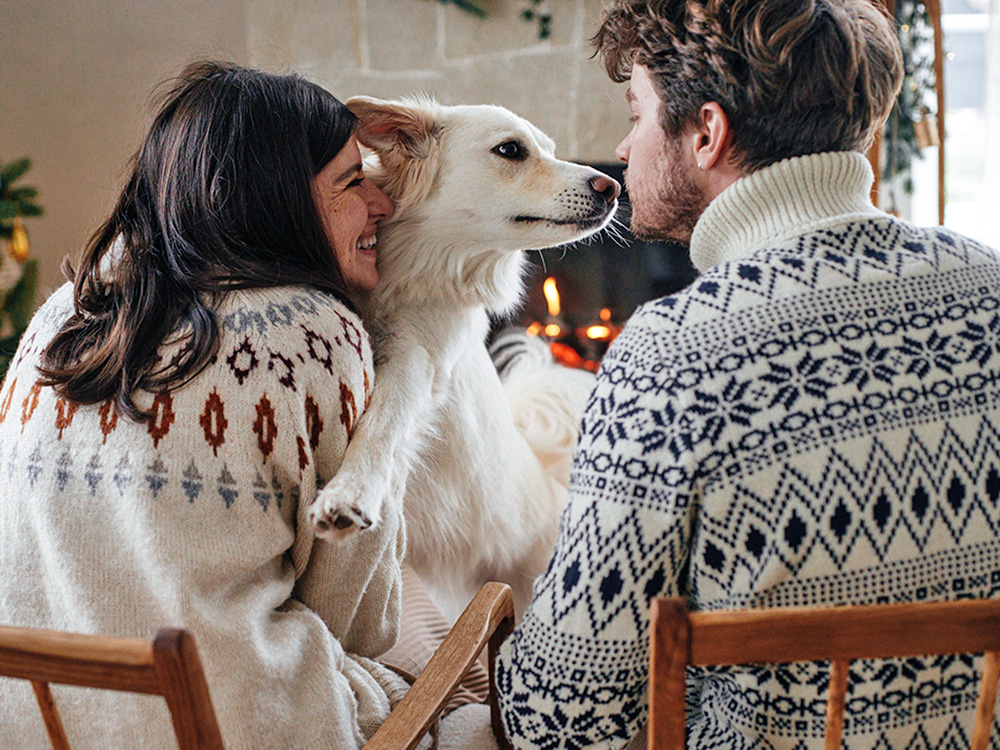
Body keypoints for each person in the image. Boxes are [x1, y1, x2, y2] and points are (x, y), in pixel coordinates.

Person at [496, 0, 1000, 748]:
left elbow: (564, 721)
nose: (623, 148)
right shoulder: (989, 286)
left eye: (637, 115)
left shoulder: (671, 354)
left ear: (707, 133)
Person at [0, 61, 409, 749]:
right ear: (276, 199)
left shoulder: (62, 315)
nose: (383, 204)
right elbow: (362, 620)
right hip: (230, 728)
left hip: (37, 723)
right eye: (351, 183)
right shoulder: (316, 334)